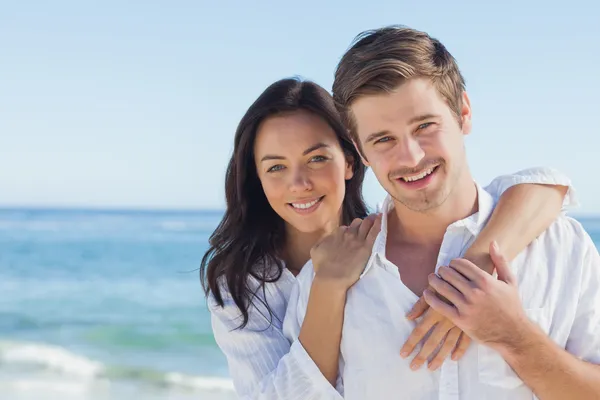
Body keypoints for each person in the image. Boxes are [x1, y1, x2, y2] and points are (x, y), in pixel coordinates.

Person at [201, 77, 573, 399]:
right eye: (276, 167)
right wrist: (328, 287)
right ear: (257, 177)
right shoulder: (238, 284)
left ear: (351, 159)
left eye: (316, 159)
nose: (299, 184)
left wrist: (473, 272)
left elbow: (541, 187)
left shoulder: (388, 244)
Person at [285, 26, 600, 399]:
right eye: (383, 139)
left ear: (463, 113)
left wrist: (515, 337)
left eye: (425, 126)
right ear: (361, 150)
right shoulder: (329, 281)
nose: (411, 157)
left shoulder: (561, 248)